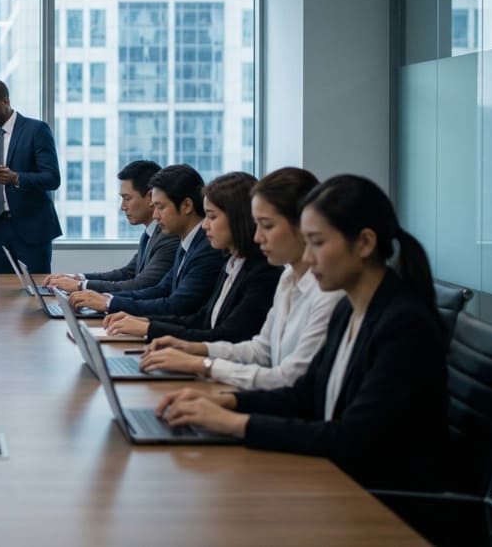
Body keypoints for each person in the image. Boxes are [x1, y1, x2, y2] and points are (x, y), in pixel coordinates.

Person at [157, 175, 448, 491]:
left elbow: (353, 437)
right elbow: (305, 394)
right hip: (339, 479)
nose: (308, 257)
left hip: (378, 501)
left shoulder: (403, 325)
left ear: (365, 243)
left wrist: (235, 423)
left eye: (318, 243)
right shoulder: (349, 309)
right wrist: (226, 403)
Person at [136, 168, 344, 389]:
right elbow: (260, 350)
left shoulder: (309, 288)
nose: (258, 236)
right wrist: (195, 349)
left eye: (267, 225)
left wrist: (203, 364)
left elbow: (289, 379)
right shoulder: (286, 278)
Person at [102, 171, 282, 344]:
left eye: (212, 216)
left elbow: (225, 334)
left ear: (238, 218)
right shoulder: (232, 261)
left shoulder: (258, 270)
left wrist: (149, 327)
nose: (205, 225)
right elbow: (202, 317)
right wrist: (147, 322)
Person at [68, 164, 222, 317]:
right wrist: (107, 299)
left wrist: (108, 302)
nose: (155, 215)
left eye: (161, 207)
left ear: (187, 205)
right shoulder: (186, 244)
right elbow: (160, 290)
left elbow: (177, 305)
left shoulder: (206, 249)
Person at [0, 78, 61, 274]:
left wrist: (15, 178)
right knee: (0, 291)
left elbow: (52, 178)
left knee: (35, 290)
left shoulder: (36, 130)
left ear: (5, 101)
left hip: (32, 230)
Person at [44, 160, 178, 293]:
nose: (123, 207)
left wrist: (81, 286)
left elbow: (141, 285)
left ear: (150, 197)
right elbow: (127, 273)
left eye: (127, 198)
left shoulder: (168, 237)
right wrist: (78, 278)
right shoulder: (149, 234)